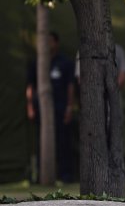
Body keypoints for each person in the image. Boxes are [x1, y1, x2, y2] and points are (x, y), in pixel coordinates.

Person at [26, 31, 75, 183]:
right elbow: (30, 86)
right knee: (42, 143)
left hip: (60, 109)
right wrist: (30, 107)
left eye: (50, 41)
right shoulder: (36, 63)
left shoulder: (65, 63)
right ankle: (41, 175)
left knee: (63, 143)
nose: (48, 45)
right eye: (44, 41)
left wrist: (69, 107)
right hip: (41, 110)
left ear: (56, 43)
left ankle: (65, 176)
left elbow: (70, 86)